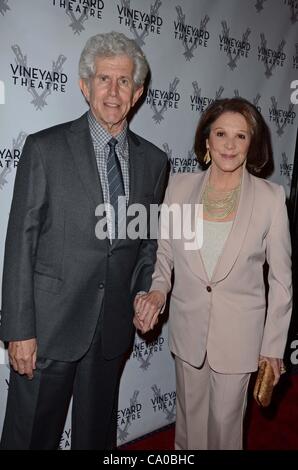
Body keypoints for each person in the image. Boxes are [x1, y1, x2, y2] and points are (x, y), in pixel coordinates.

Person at [0, 31, 168, 450]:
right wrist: (18, 329)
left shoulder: (154, 161)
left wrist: (146, 290)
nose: (113, 91)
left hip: (110, 330)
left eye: (124, 81)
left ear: (139, 91)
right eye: (104, 79)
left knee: (96, 438)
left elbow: (145, 243)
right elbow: (21, 241)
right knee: (30, 439)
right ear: (84, 85)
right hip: (47, 329)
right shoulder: (45, 149)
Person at [134, 97, 292, 450]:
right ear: (206, 141)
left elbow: (281, 281)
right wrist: (158, 291)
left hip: (239, 336)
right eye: (221, 134)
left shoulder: (271, 198)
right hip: (189, 329)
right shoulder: (178, 188)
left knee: (224, 430)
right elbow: (165, 256)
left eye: (240, 136)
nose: (230, 145)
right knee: (189, 427)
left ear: (252, 144)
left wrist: (272, 347)